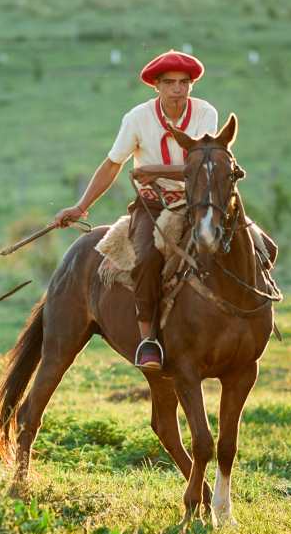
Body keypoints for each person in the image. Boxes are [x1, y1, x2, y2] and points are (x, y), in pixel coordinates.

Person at [53, 49, 217, 370]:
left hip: (199, 201)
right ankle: (148, 340)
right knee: (147, 259)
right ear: (156, 86)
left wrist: (154, 170)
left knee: (251, 244)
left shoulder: (205, 113)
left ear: (191, 85)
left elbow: (202, 164)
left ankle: (253, 313)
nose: (178, 90)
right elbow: (113, 164)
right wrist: (81, 206)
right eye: (169, 83)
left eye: (184, 82)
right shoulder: (137, 118)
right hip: (153, 205)